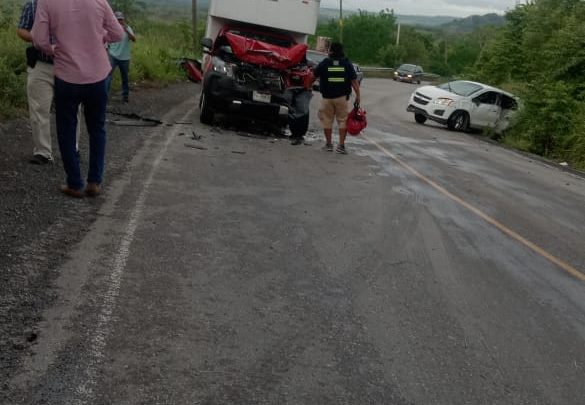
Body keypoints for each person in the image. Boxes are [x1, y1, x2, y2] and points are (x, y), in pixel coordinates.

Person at [32, 0, 124, 198]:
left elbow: (38, 39)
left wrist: (53, 49)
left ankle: (74, 183)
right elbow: (118, 33)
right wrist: (100, 37)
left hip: (67, 76)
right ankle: (94, 182)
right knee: (97, 129)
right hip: (98, 76)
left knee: (66, 130)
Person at [17, 0, 82, 166]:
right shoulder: (32, 4)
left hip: (68, 64)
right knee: (39, 108)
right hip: (41, 64)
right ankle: (43, 152)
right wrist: (37, 37)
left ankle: (72, 148)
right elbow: (21, 29)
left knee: (71, 109)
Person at [312, 42, 361, 154]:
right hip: (342, 98)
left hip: (327, 99)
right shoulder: (347, 64)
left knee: (327, 121)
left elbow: (313, 76)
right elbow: (354, 81)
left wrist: (307, 87)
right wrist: (358, 96)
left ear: (331, 51)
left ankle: (329, 145)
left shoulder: (325, 63)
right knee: (343, 121)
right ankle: (341, 146)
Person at [106, 12, 136, 103]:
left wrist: (126, 30)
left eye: (121, 19)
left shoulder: (128, 28)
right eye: (118, 19)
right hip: (113, 56)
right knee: (108, 77)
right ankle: (105, 97)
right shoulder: (111, 29)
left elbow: (134, 39)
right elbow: (106, 40)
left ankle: (125, 97)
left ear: (123, 20)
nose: (120, 21)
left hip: (125, 58)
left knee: (125, 77)